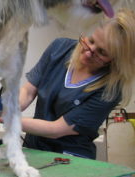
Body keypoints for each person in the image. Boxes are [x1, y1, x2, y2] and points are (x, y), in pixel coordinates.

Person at [18, 8, 135, 159]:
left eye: (102, 52)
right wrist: (6, 107)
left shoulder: (111, 90)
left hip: (70, 158)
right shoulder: (59, 48)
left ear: (116, 59)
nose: (88, 52)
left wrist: (11, 120)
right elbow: (28, 92)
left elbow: (57, 129)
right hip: (33, 148)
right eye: (90, 40)